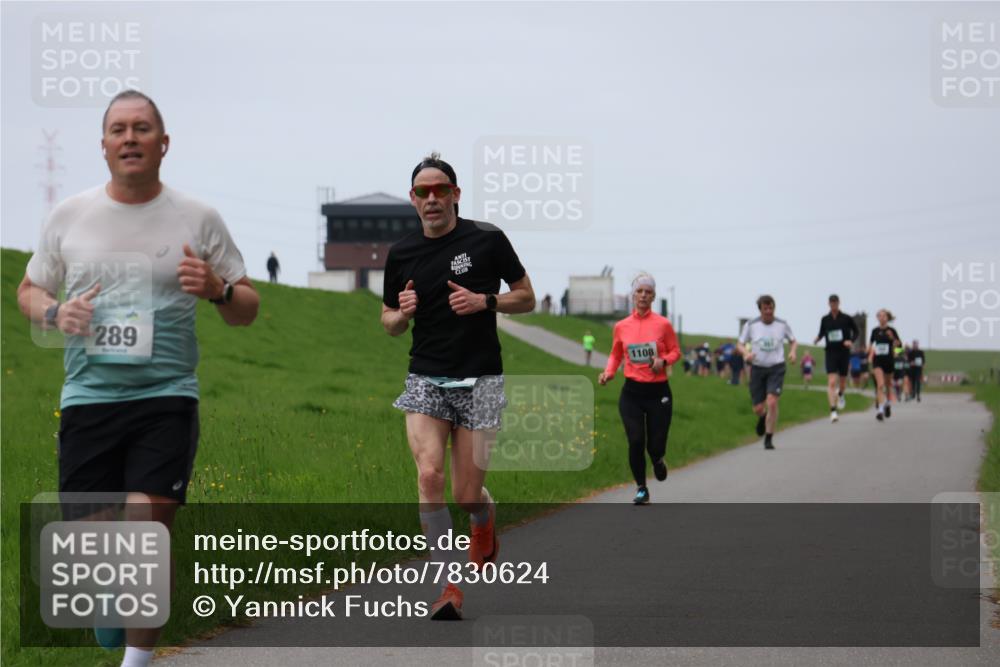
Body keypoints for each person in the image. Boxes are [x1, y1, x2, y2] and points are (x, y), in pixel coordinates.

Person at [16, 90, 259, 667]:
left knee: (147, 531)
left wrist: (218, 289)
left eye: (143, 128)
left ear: (163, 143)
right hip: (88, 398)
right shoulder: (69, 216)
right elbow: (28, 290)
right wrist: (55, 313)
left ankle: (138, 661)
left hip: (166, 395)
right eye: (119, 129)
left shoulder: (197, 218)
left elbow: (247, 306)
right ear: (102, 145)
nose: (130, 138)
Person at [380, 153, 535, 620]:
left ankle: (483, 516)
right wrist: (402, 313)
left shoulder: (487, 239)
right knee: (429, 477)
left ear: (455, 194)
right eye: (423, 192)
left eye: (440, 190)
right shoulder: (401, 253)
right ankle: (449, 586)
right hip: (426, 376)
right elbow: (388, 323)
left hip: (482, 379)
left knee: (467, 494)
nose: (432, 199)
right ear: (412, 200)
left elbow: (527, 297)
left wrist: (486, 300)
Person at [598, 273, 681, 505]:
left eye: (648, 292)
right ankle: (641, 488)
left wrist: (662, 361)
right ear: (633, 295)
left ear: (653, 296)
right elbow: (616, 354)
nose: (643, 295)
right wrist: (609, 373)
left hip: (659, 392)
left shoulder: (663, 324)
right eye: (639, 291)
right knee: (635, 440)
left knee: (655, 444)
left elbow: (676, 351)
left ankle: (658, 460)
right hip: (632, 393)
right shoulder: (622, 326)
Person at [737, 295, 797, 450]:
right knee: (758, 408)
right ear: (760, 310)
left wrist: (793, 352)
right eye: (765, 309)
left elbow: (793, 341)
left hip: (776, 367)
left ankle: (769, 438)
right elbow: (740, 344)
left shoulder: (782, 324)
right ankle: (762, 417)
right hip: (757, 368)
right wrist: (746, 354)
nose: (769, 311)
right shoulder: (751, 325)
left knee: (772, 401)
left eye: (771, 308)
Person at [813, 294, 858, 422]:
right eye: (831, 303)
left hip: (843, 352)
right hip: (831, 352)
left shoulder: (846, 318)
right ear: (829, 304)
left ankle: (841, 394)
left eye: (835, 302)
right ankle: (833, 411)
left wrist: (851, 341)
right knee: (832, 381)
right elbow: (822, 332)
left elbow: (856, 331)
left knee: (842, 382)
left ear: (839, 303)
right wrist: (818, 338)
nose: (833, 305)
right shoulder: (825, 319)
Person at [867, 309, 901, 422]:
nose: (882, 318)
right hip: (878, 361)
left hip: (889, 361)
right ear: (877, 318)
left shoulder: (892, 331)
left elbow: (899, 347)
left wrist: (894, 344)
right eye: (880, 316)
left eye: (884, 316)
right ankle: (880, 411)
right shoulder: (874, 331)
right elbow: (870, 344)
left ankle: (887, 404)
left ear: (887, 318)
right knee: (880, 385)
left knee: (888, 385)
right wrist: (869, 352)